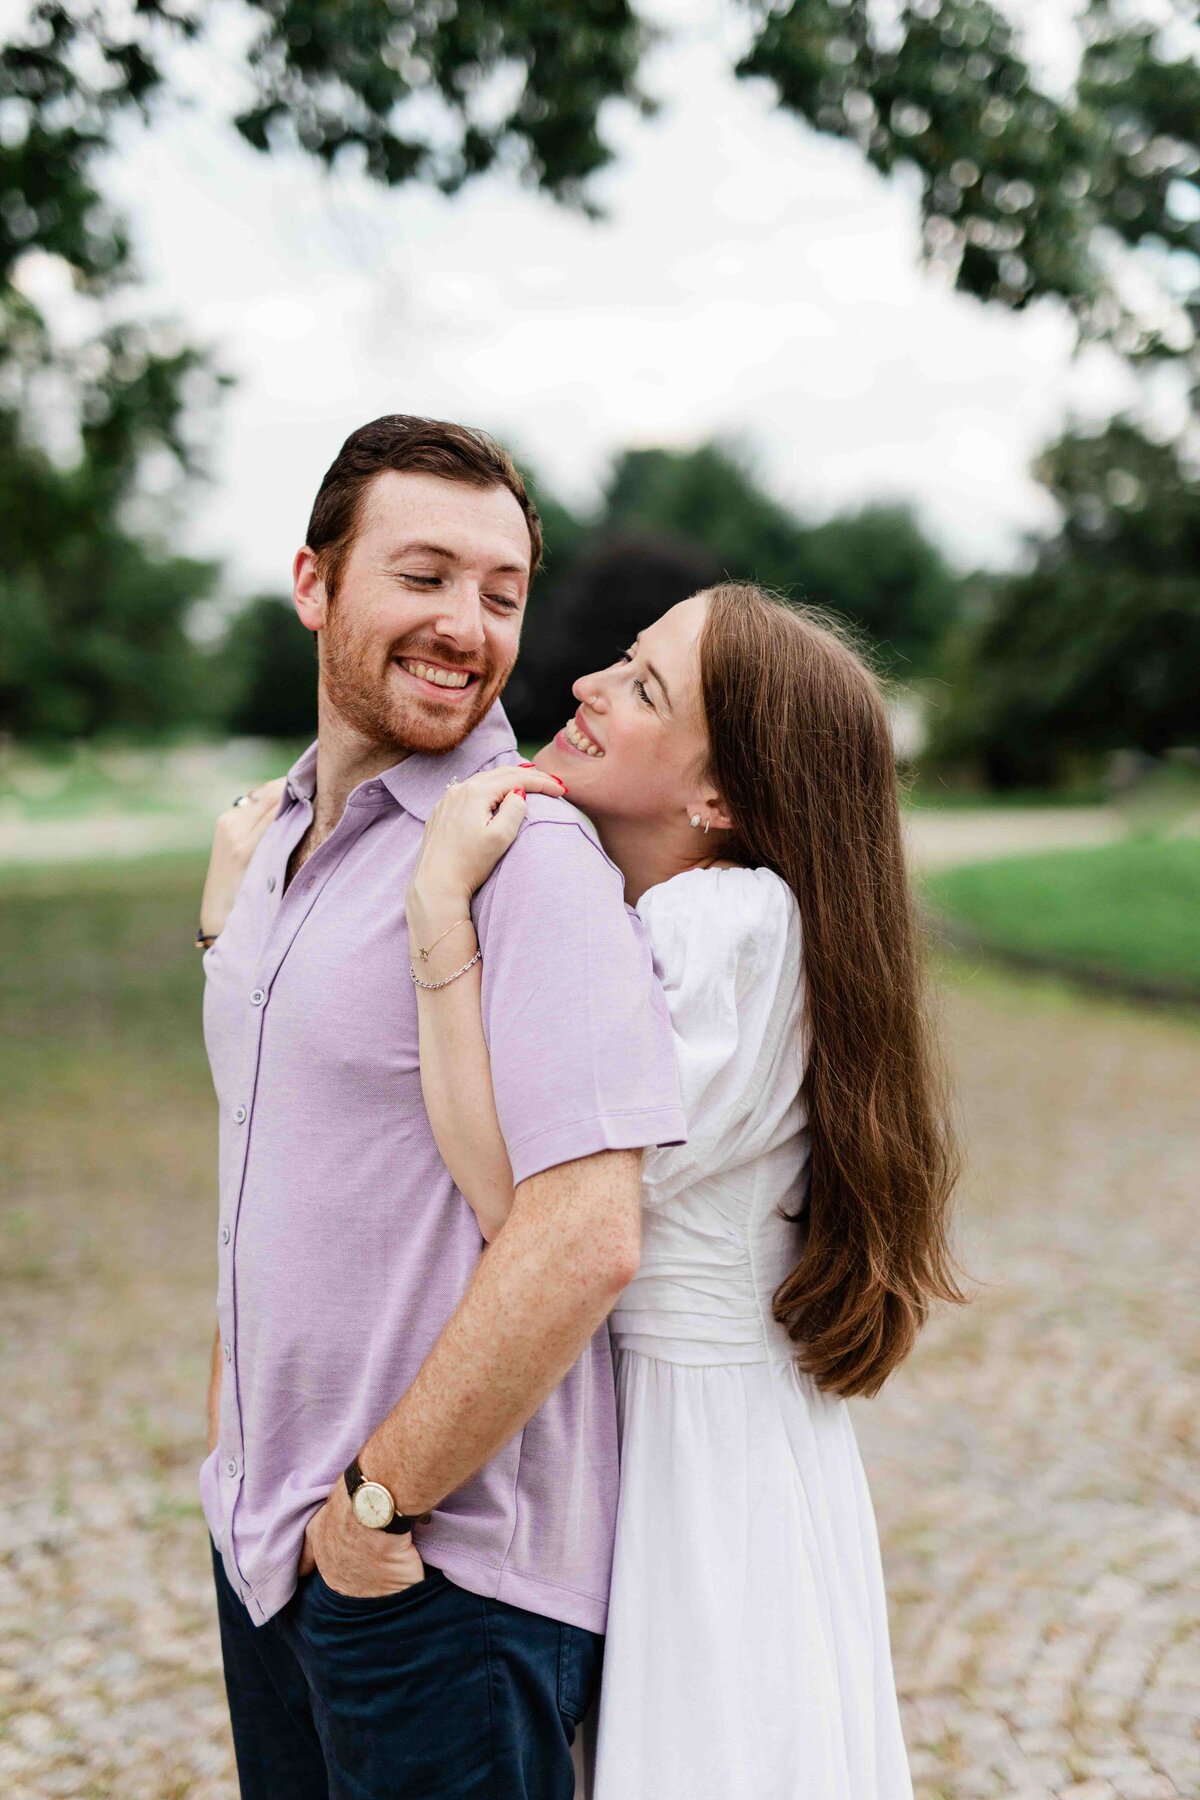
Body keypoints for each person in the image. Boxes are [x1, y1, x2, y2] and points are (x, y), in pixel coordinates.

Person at [209, 572, 964, 1796]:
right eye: (622, 654)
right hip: (694, 1422)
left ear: (719, 795)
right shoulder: (700, 912)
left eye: (645, 685)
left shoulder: (715, 932)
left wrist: (439, 915)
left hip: (691, 1439)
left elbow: (529, 1203)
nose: (587, 685)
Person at [197, 414, 688, 1800]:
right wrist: (240, 1449)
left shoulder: (523, 856)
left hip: (435, 1582)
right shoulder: (279, 843)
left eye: (501, 594)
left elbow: (586, 1233)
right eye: (424, 577)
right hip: (266, 1545)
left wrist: (376, 1506)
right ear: (315, 584)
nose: (466, 626)